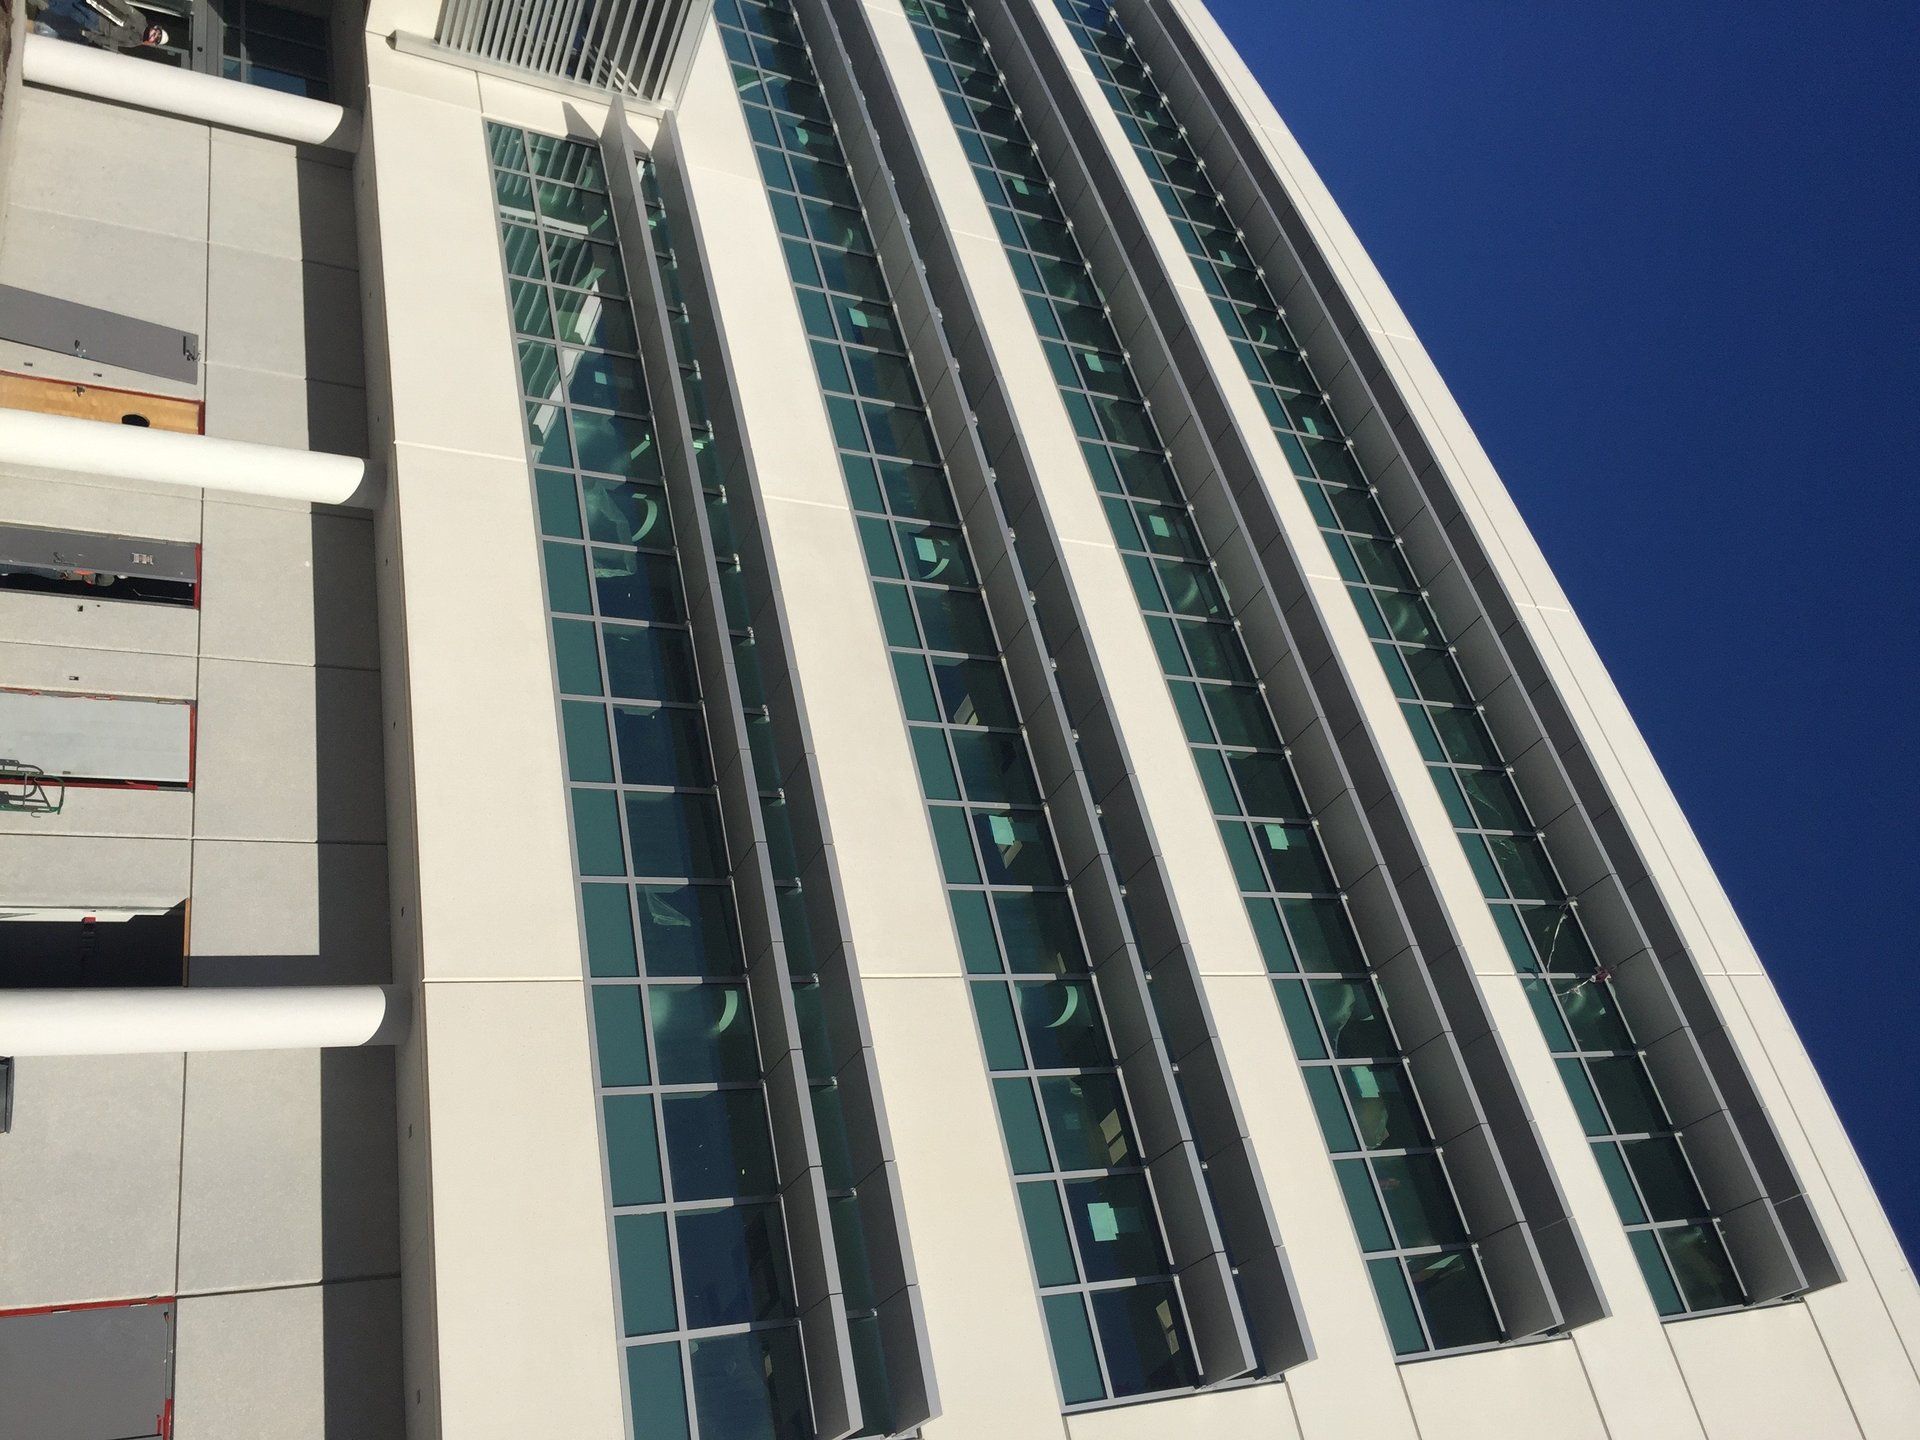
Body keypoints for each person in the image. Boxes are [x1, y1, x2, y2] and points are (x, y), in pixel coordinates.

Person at [28, 0, 167, 51]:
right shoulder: (140, 20)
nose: (154, 34)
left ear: (152, 43)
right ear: (155, 27)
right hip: (97, 10)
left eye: (156, 38)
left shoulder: (133, 42)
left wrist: (88, 35)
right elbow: (122, 6)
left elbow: (108, 41)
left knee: (66, 10)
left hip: (93, 25)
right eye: (157, 32)